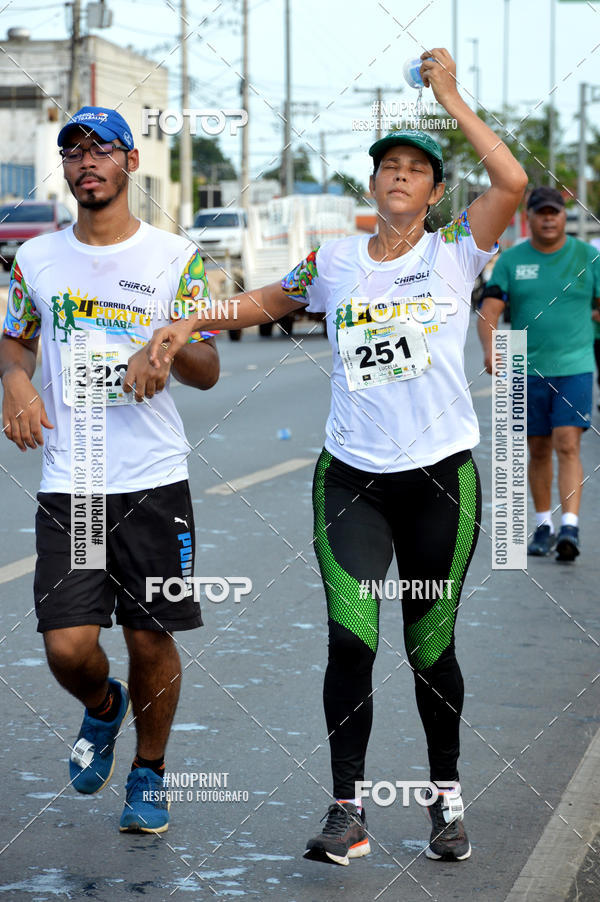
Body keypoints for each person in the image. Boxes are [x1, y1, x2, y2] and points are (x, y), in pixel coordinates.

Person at [143, 48, 527, 863]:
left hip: (440, 482)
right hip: (351, 480)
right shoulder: (337, 261)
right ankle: (347, 810)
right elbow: (265, 300)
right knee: (351, 640)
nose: (398, 174)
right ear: (372, 184)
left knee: (430, 645)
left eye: (414, 168)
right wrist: (188, 318)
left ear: (432, 192)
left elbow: (513, 185)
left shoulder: (457, 249)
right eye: (386, 164)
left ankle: (446, 799)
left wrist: (450, 99)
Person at [0, 106, 219, 834]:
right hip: (75, 477)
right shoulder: (34, 259)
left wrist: (165, 350)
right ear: (64, 169)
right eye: (72, 150)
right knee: (68, 644)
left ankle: (149, 774)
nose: (85, 160)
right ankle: (102, 707)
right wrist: (18, 383)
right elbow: (13, 342)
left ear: (129, 162)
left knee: (152, 636)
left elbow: (209, 367)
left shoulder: (175, 256)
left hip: (153, 476)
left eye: (100, 149)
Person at [478, 187, 600, 562]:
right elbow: (490, 309)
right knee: (539, 448)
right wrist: (490, 347)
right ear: (528, 218)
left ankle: (571, 526)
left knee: (568, 442)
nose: (549, 218)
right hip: (524, 368)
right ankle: (544, 524)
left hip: (575, 367)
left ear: (564, 216)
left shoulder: (588, 257)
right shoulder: (512, 261)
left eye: (555, 212)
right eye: (541, 212)